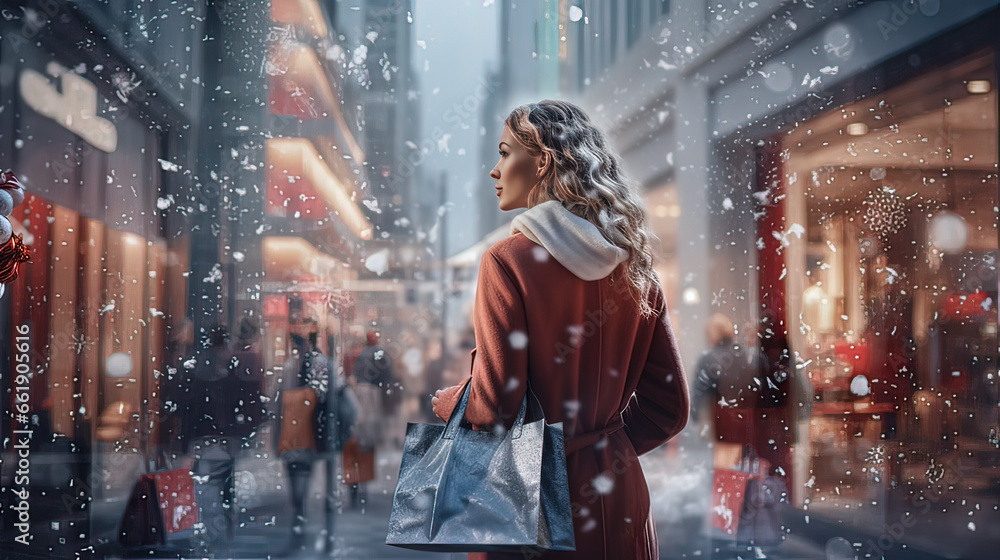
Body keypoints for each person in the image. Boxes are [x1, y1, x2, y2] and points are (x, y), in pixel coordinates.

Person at [430, 100, 690, 560]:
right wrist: (605, 449)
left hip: (529, 511)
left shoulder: (506, 261)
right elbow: (669, 410)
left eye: (506, 152)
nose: (495, 170)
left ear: (543, 161)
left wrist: (452, 400)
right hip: (618, 497)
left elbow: (495, 410)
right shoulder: (636, 266)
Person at [277, 332, 330, 552]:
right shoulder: (316, 365)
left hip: (299, 433)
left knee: (298, 481)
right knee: (300, 480)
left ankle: (299, 524)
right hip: (304, 434)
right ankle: (300, 523)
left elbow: (277, 403)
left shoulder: (294, 367)